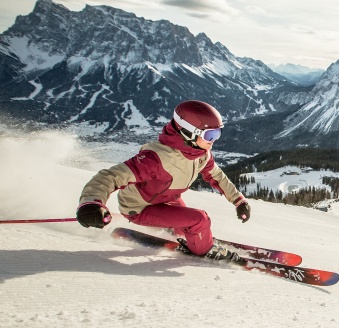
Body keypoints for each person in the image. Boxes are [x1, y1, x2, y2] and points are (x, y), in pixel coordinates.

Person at [76, 100, 251, 261]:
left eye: (218, 133)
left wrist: (238, 200)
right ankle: (203, 250)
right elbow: (110, 176)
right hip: (140, 207)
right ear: (189, 132)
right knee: (199, 220)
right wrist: (91, 203)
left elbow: (217, 176)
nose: (214, 141)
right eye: (210, 135)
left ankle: (187, 233)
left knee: (189, 223)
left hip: (166, 199)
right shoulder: (156, 159)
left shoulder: (200, 155)